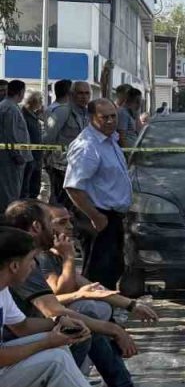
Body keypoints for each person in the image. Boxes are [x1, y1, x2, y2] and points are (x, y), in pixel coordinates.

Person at [6, 200, 185, 387]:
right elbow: (54, 308)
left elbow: (89, 287)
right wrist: (113, 329)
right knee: (80, 326)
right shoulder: (23, 260)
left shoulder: (31, 257)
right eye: (55, 221)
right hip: (12, 342)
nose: (70, 227)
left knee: (84, 322)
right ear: (37, 226)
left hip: (23, 330)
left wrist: (130, 305)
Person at [0, 225, 167, 387]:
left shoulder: (3, 289)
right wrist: (48, 341)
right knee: (55, 359)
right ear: (14, 266)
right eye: (30, 260)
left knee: (64, 344)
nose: (33, 266)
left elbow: (22, 326)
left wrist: (60, 323)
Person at [64, 99, 131, 288]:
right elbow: (73, 187)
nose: (110, 121)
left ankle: (106, 306)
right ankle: (92, 307)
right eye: (104, 117)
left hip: (112, 217)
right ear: (91, 118)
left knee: (112, 270)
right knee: (97, 275)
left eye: (113, 116)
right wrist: (95, 216)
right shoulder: (87, 146)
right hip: (97, 217)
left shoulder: (110, 140)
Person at [44, 80, 90, 207]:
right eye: (80, 93)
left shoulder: (88, 114)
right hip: (61, 168)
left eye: (87, 93)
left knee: (77, 206)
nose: (84, 97)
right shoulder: (61, 111)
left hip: (81, 167)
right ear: (72, 94)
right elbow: (48, 138)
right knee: (60, 206)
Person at [0, 81, 31, 211]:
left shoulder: (8, 106)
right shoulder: (10, 108)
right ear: (21, 92)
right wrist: (17, 154)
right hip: (11, 160)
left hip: (9, 157)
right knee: (10, 193)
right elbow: (10, 134)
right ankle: (7, 218)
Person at [21, 91, 44, 199]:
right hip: (29, 157)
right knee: (27, 187)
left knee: (35, 186)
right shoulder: (23, 115)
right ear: (33, 102)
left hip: (36, 156)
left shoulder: (33, 115)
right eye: (40, 100)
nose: (42, 103)